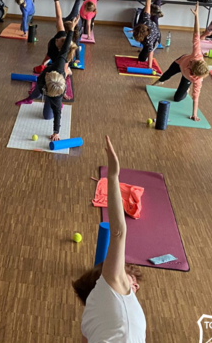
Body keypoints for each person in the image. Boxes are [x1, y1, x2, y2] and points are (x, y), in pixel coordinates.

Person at [73, 136, 146, 343]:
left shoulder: (108, 290)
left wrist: (113, 176)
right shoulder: (104, 296)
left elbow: (119, 233)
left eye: (128, 276)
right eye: (129, 278)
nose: (135, 283)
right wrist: (112, 177)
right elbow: (118, 232)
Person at [15, 18, 79, 142]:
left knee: (47, 117)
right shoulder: (59, 63)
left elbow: (58, 115)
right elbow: (66, 47)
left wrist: (56, 133)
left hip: (53, 93)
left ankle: (53, 103)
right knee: (36, 92)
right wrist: (71, 29)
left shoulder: (56, 97)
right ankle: (30, 98)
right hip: (42, 84)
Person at [153, 3, 210, 122]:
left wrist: (194, 114)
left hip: (186, 77)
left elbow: (196, 96)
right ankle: (156, 83)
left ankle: (185, 91)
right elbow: (196, 35)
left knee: (177, 98)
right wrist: (196, 16)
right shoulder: (196, 55)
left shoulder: (197, 79)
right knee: (166, 75)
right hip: (180, 63)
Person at [132, 0, 160, 69]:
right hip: (151, 29)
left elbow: (151, 53)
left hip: (157, 38)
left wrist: (150, 67)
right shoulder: (145, 20)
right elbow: (148, 5)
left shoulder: (149, 41)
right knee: (143, 52)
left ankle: (145, 56)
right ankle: (143, 51)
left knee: (142, 59)